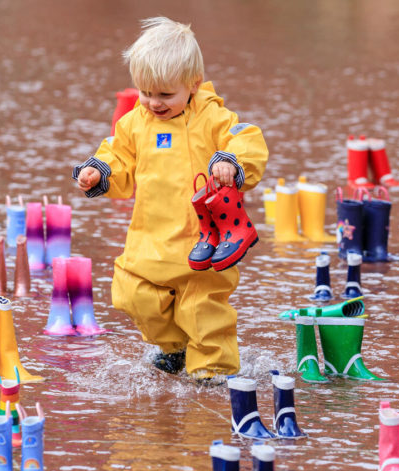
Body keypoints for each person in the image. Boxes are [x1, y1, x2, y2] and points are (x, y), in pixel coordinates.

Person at [72, 16, 268, 383]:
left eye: (165, 95)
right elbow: (118, 156)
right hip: (151, 238)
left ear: (193, 85)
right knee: (133, 293)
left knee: (203, 312)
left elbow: (246, 138)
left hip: (205, 240)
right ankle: (174, 348)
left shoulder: (212, 117)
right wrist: (100, 172)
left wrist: (230, 160)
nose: (153, 103)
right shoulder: (135, 122)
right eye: (146, 92)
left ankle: (212, 373)